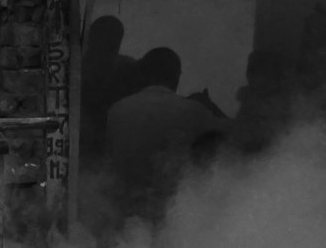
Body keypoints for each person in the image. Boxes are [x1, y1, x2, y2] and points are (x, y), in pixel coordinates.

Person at [105, 46, 228, 225]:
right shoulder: (195, 112)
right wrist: (210, 107)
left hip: (123, 212)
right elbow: (235, 139)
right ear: (177, 76)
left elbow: (106, 164)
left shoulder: (117, 110)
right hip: (172, 215)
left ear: (142, 74)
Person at [79, 15, 140, 161]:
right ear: (91, 40)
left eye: (113, 42)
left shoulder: (129, 68)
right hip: (81, 144)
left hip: (118, 144)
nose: (107, 46)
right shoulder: (74, 70)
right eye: (103, 40)